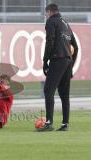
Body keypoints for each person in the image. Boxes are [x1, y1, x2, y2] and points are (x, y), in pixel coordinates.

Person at [40, 4, 78, 132]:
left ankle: (49, 123)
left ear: (49, 12)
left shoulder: (51, 21)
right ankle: (65, 124)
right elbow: (75, 47)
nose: (46, 16)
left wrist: (45, 61)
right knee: (64, 94)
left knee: (48, 90)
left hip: (57, 59)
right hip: (67, 61)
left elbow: (49, 41)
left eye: (46, 14)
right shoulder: (66, 24)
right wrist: (71, 65)